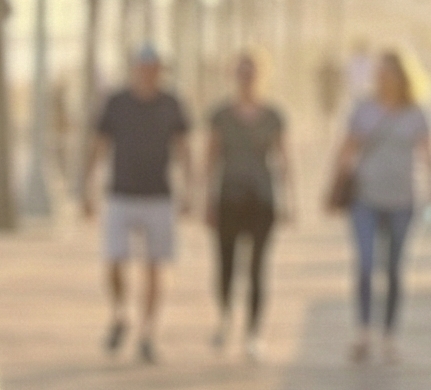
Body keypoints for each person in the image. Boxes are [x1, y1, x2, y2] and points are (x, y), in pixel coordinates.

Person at [83, 46, 193, 362]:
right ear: (134, 69)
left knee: (156, 266)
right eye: (143, 66)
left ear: (160, 70)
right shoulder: (116, 103)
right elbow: (99, 146)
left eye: (154, 67)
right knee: (115, 260)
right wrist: (87, 188)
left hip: (159, 195)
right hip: (120, 194)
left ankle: (148, 332)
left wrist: (190, 190)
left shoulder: (172, 103)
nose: (148, 72)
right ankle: (120, 314)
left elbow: (184, 148)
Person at [328, 48, 431, 361]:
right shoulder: (363, 108)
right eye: (380, 72)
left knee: (394, 269)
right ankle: (363, 332)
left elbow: (429, 155)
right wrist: (334, 187)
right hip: (365, 197)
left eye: (389, 72)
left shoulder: (418, 112)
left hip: (404, 198)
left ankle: (390, 335)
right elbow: (346, 149)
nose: (383, 78)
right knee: (364, 264)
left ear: (404, 77)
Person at [204, 53, 291, 361]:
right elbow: (211, 157)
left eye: (251, 73)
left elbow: (282, 158)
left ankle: (254, 332)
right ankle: (225, 317)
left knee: (257, 268)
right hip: (228, 196)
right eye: (241, 73)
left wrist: (287, 199)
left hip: (261, 197)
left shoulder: (273, 115)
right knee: (226, 265)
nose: (246, 79)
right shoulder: (220, 115)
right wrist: (207, 199)